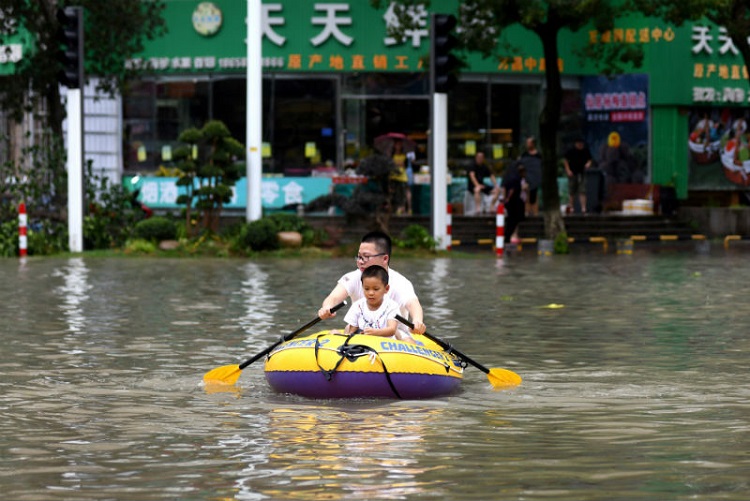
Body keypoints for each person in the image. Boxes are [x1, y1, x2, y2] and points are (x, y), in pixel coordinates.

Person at [318, 231, 426, 336]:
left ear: (384, 258)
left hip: (394, 337)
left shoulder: (401, 282)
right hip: (362, 332)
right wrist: (327, 307)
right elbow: (334, 297)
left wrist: (417, 321)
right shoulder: (353, 277)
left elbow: (413, 304)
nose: (360, 261)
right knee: (348, 328)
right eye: (359, 257)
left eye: (366, 257)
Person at [342, 265, 416, 343]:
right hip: (363, 342)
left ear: (386, 289)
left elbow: (392, 330)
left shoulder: (392, 306)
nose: (370, 293)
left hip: (387, 343)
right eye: (366, 289)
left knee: (404, 338)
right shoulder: (357, 305)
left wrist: (375, 333)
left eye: (376, 289)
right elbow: (352, 330)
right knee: (347, 328)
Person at [563, 137, 593, 214]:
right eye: (579, 143)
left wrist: (588, 164)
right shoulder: (571, 151)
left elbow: (590, 159)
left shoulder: (585, 151)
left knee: (582, 191)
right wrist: (568, 170)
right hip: (573, 173)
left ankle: (583, 208)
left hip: (582, 173)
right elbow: (565, 160)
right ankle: (571, 207)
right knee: (572, 191)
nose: (580, 145)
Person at [501, 163, 527, 245]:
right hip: (514, 202)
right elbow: (512, 190)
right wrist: (508, 198)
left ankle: (508, 237)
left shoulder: (507, 177)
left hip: (512, 202)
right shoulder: (516, 179)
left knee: (511, 221)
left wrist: (505, 199)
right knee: (513, 220)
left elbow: (505, 188)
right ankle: (507, 237)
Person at [520, 136, 541, 216]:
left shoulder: (539, 155)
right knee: (526, 195)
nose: (527, 144)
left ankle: (535, 213)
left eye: (528, 143)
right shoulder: (524, 155)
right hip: (526, 178)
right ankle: (527, 212)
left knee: (534, 196)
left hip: (535, 178)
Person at [389, 139, 410, 215]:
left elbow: (406, 165)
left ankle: (402, 208)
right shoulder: (391, 155)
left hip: (402, 177)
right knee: (393, 193)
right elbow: (390, 165)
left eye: (400, 145)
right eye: (397, 144)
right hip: (393, 176)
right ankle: (394, 208)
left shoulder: (404, 156)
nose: (398, 146)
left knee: (402, 193)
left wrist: (400, 164)